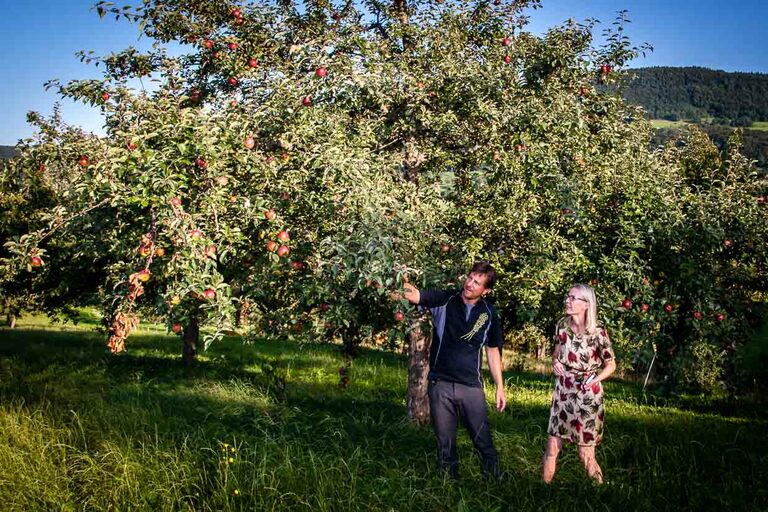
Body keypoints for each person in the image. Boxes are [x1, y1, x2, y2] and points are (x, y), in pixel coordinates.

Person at [399, 261, 506, 480]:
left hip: (471, 387)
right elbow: (414, 295)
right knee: (445, 441)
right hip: (441, 384)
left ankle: (496, 481)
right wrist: (398, 275)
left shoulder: (489, 313)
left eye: (477, 282)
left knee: (482, 439)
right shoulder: (444, 299)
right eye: (470, 277)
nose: (470, 283)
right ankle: (448, 485)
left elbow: (493, 351)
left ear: (486, 291)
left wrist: (500, 387)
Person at [542, 283, 616, 484]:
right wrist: (555, 363)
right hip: (563, 392)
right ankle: (542, 492)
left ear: (586, 304)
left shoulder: (598, 332)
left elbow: (611, 365)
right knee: (552, 448)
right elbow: (556, 354)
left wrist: (596, 378)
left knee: (585, 454)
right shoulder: (562, 326)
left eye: (573, 298)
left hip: (587, 395)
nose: (568, 300)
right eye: (568, 296)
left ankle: (602, 492)